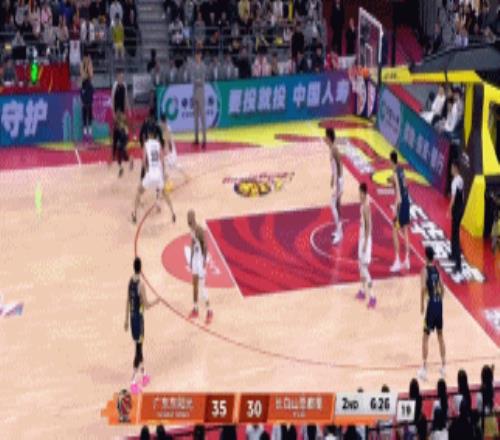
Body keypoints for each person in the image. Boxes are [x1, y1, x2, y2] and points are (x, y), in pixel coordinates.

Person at [124, 257, 160, 394]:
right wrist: (157, 301)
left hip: (132, 319)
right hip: (139, 320)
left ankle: (144, 374)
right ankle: (133, 381)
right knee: (138, 351)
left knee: (139, 347)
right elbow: (147, 305)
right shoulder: (141, 285)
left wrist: (126, 320)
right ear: (141, 268)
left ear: (134, 267)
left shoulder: (130, 282)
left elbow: (128, 301)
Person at [131, 128, 176, 224]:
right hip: (158, 175)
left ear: (148, 135)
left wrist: (146, 170)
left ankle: (134, 213)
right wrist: (163, 173)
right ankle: (173, 213)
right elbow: (162, 160)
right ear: (155, 135)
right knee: (165, 194)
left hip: (150, 174)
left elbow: (143, 160)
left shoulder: (146, 144)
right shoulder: (158, 144)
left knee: (139, 191)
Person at [418, 246, 446, 381]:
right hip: (439, 304)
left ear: (425, 256)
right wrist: (439, 299)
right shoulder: (437, 269)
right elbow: (443, 288)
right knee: (440, 335)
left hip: (431, 306)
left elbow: (423, 288)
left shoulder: (424, 270)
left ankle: (424, 369)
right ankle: (444, 366)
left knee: (425, 336)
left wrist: (422, 304)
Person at [187, 209, 212, 324]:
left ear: (193, 218)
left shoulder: (199, 230)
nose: (188, 219)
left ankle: (209, 311)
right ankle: (195, 309)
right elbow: (193, 243)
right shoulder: (191, 229)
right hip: (195, 260)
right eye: (187, 217)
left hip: (200, 260)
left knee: (202, 287)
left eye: (189, 217)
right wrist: (191, 259)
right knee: (194, 285)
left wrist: (204, 260)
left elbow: (205, 246)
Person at [389, 151, 411, 272]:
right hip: (407, 201)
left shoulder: (395, 173)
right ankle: (407, 260)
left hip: (401, 204)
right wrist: (392, 181)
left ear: (391, 160)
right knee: (406, 230)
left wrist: (395, 209)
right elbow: (405, 185)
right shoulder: (401, 170)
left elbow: (398, 192)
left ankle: (397, 261)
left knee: (394, 231)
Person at [355, 182, 375, 309]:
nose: (358, 195)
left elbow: (369, 226)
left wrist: (366, 243)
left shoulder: (366, 207)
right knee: (360, 266)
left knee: (364, 269)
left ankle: (372, 296)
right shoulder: (363, 204)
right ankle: (362, 291)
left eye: (359, 193)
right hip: (361, 238)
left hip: (365, 241)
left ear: (363, 193)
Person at [325, 128, 343, 244]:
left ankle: (340, 234)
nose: (324, 139)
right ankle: (338, 230)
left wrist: (338, 181)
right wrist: (332, 177)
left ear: (329, 137)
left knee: (333, 205)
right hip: (337, 180)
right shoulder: (331, 148)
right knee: (337, 205)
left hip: (339, 181)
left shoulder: (335, 149)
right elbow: (334, 166)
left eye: (325, 136)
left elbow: (340, 164)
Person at [448, 161, 464, 273]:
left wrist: (448, 210)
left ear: (455, 168)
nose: (451, 169)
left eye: (452, 167)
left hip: (456, 210)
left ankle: (458, 265)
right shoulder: (461, 179)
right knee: (454, 233)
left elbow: (453, 199)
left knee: (456, 235)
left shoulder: (454, 182)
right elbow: (461, 196)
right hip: (460, 208)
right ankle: (453, 254)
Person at [191, 50, 207, 149]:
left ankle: (204, 139)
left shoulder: (203, 67)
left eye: (198, 56)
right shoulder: (193, 67)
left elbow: (202, 80)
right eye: (196, 56)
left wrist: (197, 81)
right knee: (196, 117)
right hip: (195, 92)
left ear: (200, 56)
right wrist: (197, 80)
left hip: (200, 92)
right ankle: (196, 138)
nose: (197, 57)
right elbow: (192, 79)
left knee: (202, 117)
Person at [477, 365, 499, 438]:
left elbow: (479, 410)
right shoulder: (491, 388)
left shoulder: (480, 393)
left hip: (484, 422)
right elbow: (490, 382)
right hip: (491, 420)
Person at [80, 50, 94, 140]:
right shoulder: (82, 64)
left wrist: (89, 65)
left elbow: (91, 75)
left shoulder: (90, 64)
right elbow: (83, 76)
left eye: (88, 57)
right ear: (84, 57)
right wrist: (85, 67)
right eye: (86, 57)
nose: (87, 59)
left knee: (90, 109)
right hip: (84, 87)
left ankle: (90, 130)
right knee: (84, 109)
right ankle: (85, 130)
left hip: (89, 87)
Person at [115, 111, 132, 177]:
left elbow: (126, 136)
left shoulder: (125, 127)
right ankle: (121, 169)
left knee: (125, 158)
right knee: (119, 158)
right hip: (120, 143)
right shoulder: (117, 125)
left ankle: (131, 160)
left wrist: (125, 144)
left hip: (123, 142)